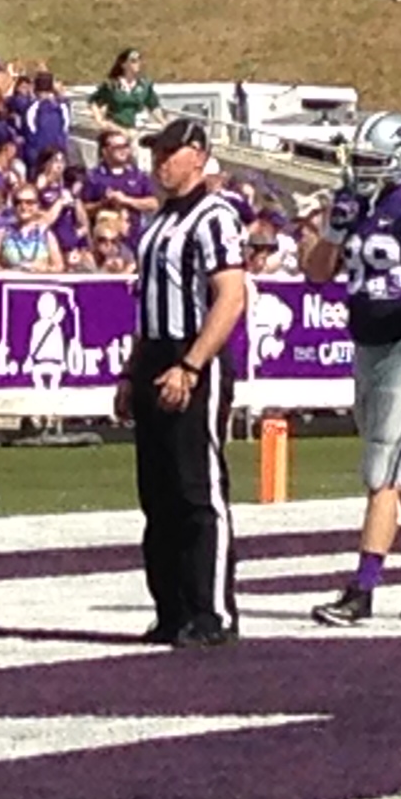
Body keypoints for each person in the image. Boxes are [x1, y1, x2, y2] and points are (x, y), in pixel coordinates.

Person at [303, 112, 401, 624]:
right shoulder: (359, 201)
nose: (364, 170)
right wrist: (332, 229)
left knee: (381, 469)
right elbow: (316, 274)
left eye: (374, 161)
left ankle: (363, 589)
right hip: (367, 343)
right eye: (360, 160)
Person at [119, 117, 246, 649]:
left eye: (169, 152)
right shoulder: (157, 224)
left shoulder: (214, 216)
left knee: (198, 488)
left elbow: (231, 296)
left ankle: (212, 609)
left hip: (193, 353)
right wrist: (132, 372)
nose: (160, 162)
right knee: (159, 492)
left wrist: (192, 364)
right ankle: (171, 608)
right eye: (156, 153)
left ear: (197, 154)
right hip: (154, 354)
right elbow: (146, 306)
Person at [0, 186, 65, 273]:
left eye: (29, 202)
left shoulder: (46, 235)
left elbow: (58, 266)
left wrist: (44, 269)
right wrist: (7, 272)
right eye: (18, 202)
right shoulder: (2, 233)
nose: (23, 207)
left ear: (38, 205)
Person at [89, 50, 161, 131]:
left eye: (139, 60)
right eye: (133, 61)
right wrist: (100, 121)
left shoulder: (144, 85)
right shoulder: (112, 85)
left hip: (137, 129)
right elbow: (94, 101)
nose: (138, 63)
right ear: (123, 65)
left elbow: (154, 106)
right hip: (116, 129)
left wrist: (163, 123)